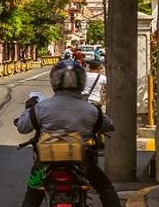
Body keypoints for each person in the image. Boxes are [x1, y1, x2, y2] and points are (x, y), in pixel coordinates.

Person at [16, 58, 117, 207]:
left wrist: (28, 108)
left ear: (54, 81)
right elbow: (108, 125)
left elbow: (23, 127)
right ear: (81, 81)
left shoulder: (41, 107)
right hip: (83, 163)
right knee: (106, 189)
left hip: (45, 164)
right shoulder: (91, 109)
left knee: (32, 196)